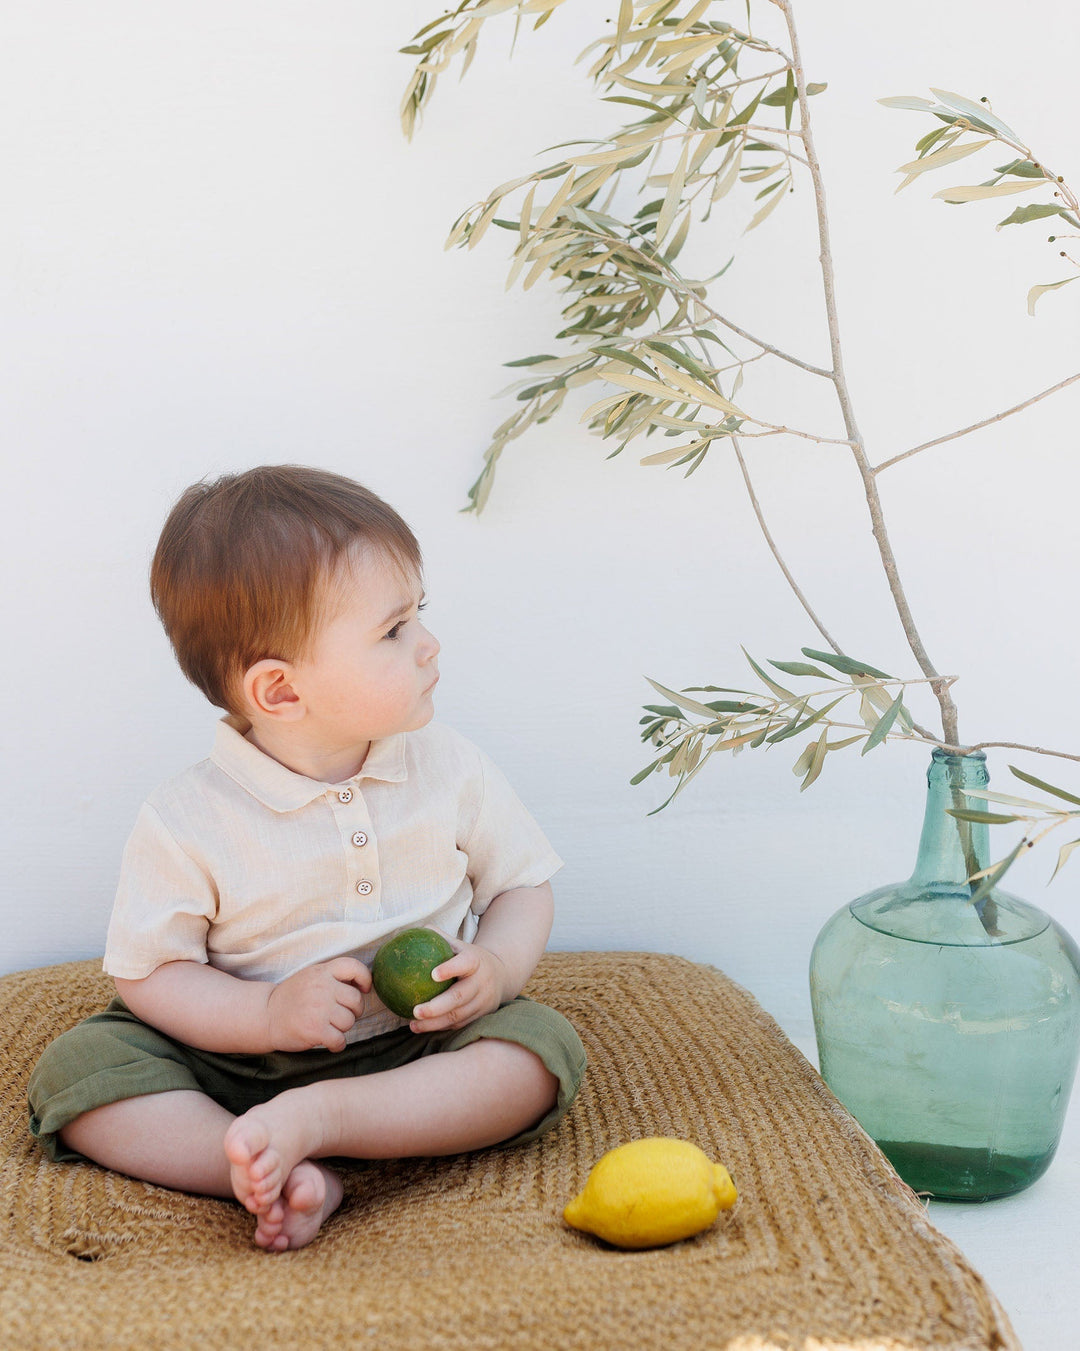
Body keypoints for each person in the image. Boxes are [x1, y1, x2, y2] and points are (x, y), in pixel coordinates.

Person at [28, 465, 586, 1252]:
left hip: (416, 1044)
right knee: (80, 1069)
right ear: (281, 692)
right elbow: (149, 973)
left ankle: (324, 1123)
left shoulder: (447, 765)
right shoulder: (188, 817)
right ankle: (257, 1164)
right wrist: (263, 1014)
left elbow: (522, 885)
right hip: (237, 1060)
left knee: (538, 1051)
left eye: (419, 614)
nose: (428, 644)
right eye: (393, 630)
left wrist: (495, 966)